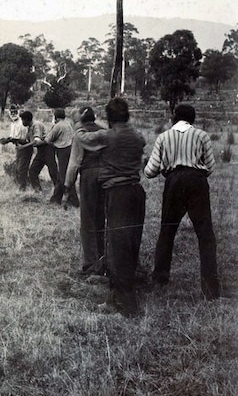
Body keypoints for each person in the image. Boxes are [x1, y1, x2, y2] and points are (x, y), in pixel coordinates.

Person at [75, 97, 146, 317]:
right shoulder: (138, 136)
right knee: (130, 244)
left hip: (118, 194)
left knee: (117, 248)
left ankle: (127, 304)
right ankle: (117, 296)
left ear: (109, 117)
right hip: (136, 192)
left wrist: (78, 122)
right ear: (127, 116)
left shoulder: (107, 136)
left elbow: (83, 139)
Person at [144, 104, 220, 300]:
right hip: (197, 181)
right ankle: (210, 288)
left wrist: (165, 168)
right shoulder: (202, 136)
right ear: (192, 119)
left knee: (167, 231)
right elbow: (210, 166)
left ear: (173, 118)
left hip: (174, 181)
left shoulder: (163, 137)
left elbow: (150, 171)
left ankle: (160, 280)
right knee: (205, 234)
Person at [64, 106, 106, 278]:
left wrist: (67, 187)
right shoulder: (104, 132)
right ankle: (103, 258)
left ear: (80, 121)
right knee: (101, 218)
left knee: (87, 220)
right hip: (105, 175)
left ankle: (90, 264)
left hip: (89, 176)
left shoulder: (80, 135)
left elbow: (74, 163)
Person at [17, 111, 59, 194]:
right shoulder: (29, 128)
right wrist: (13, 140)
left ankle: (59, 191)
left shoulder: (37, 125)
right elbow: (27, 141)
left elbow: (36, 141)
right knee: (33, 171)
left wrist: (22, 147)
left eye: (22, 120)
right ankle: (38, 191)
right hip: (40, 151)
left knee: (53, 171)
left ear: (27, 119)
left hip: (47, 149)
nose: (22, 122)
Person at [44, 108, 78, 206]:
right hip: (70, 149)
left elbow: (48, 139)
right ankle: (55, 199)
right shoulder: (68, 124)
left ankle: (73, 201)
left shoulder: (57, 126)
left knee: (64, 177)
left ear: (56, 117)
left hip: (62, 151)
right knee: (60, 175)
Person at [0, 104, 30, 189]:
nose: (13, 114)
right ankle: (22, 186)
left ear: (18, 111)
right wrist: (6, 140)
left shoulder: (22, 123)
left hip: (25, 148)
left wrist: (10, 140)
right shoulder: (13, 123)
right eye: (11, 112)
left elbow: (24, 140)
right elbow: (13, 136)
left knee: (21, 169)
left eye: (15, 112)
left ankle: (23, 188)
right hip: (18, 148)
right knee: (18, 168)